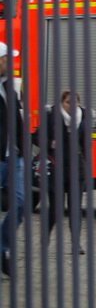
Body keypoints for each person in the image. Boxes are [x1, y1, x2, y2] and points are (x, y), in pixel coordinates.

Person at [36, 91, 89, 250]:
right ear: (61, 103)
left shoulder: (83, 117)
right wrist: (50, 144)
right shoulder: (51, 116)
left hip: (76, 169)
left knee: (75, 208)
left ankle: (75, 243)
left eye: (75, 103)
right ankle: (45, 238)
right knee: (56, 208)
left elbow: (86, 143)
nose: (72, 106)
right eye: (67, 102)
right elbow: (37, 136)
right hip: (56, 167)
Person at [0, 42, 25, 277]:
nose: (11, 63)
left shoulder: (10, 87)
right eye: (7, 59)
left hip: (14, 157)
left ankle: (3, 247)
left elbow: (17, 120)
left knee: (21, 203)